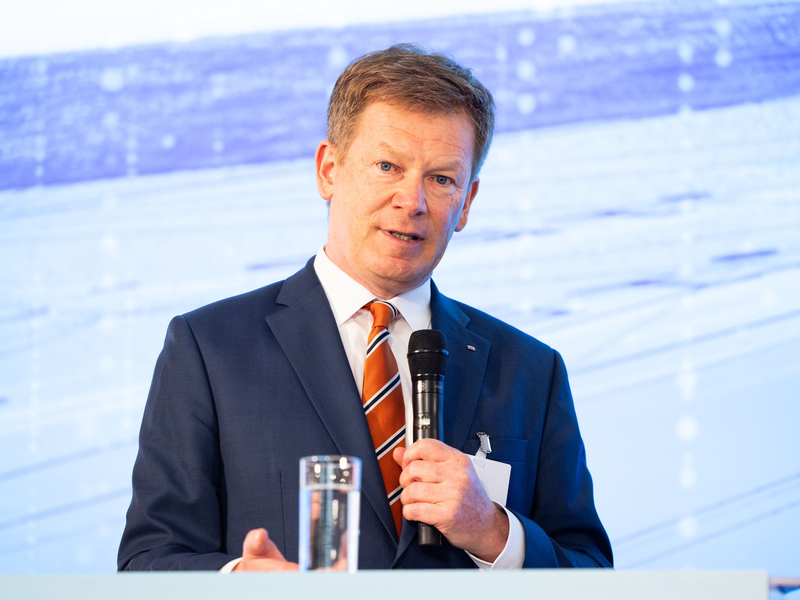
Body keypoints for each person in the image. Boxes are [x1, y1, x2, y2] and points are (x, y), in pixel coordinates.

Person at [118, 43, 612, 571]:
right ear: (329, 170)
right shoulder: (210, 348)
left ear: (466, 203)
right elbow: (149, 561)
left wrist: (493, 531)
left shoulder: (531, 371)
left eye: (441, 179)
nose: (412, 201)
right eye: (387, 166)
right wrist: (238, 579)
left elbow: (589, 572)